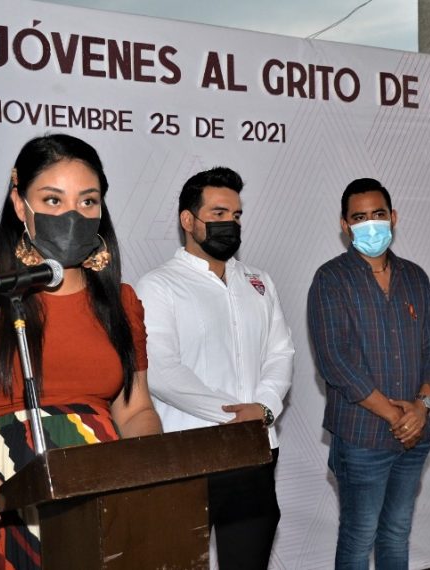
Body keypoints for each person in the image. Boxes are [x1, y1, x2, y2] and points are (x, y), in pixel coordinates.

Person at [0, 134, 161, 569]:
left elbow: (136, 410)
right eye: (52, 200)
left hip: (101, 498)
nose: (73, 214)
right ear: (18, 203)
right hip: (0, 500)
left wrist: (150, 473)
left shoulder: (121, 302)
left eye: (88, 202)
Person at [135, 166, 294, 569]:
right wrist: (236, 415)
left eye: (237, 215)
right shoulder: (157, 285)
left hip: (256, 451)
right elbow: (161, 369)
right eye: (219, 214)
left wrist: (264, 408)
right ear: (188, 221)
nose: (231, 224)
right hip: (190, 454)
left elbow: (281, 352)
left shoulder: (259, 281)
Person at [307, 178, 430, 570]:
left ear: (393, 217)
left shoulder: (415, 277)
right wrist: (394, 415)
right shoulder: (330, 279)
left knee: (397, 532)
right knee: (358, 536)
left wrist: (420, 408)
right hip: (361, 438)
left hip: (414, 435)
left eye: (378, 215)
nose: (371, 224)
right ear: (345, 224)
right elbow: (334, 361)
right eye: (360, 217)